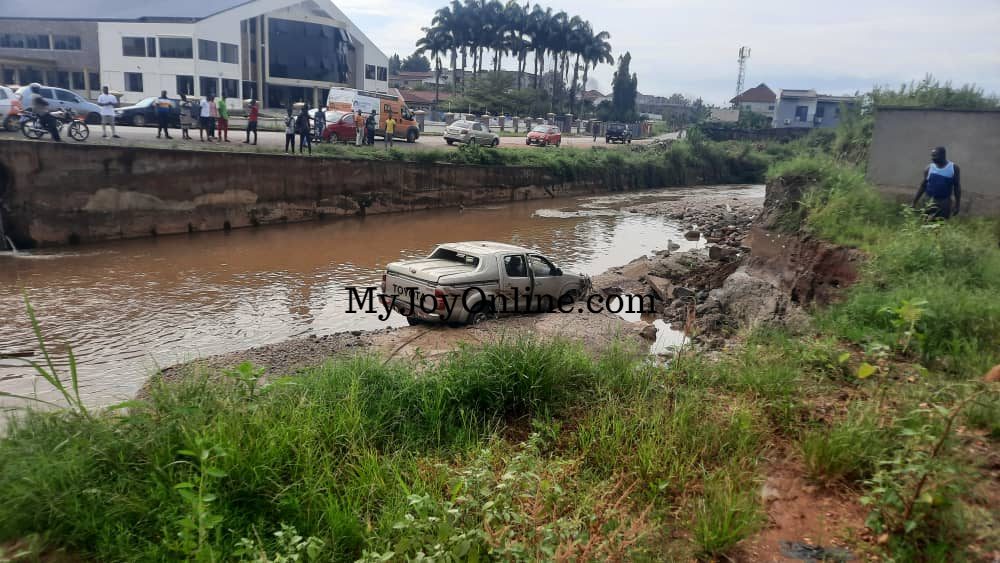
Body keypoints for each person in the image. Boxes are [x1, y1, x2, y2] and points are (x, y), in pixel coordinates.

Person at [913, 146, 962, 219]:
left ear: (943, 155)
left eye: (935, 155)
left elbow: (957, 187)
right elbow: (923, 186)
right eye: (932, 156)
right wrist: (914, 202)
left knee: (940, 225)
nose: (932, 158)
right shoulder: (929, 168)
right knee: (925, 224)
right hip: (928, 200)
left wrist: (957, 205)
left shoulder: (953, 168)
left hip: (944, 202)